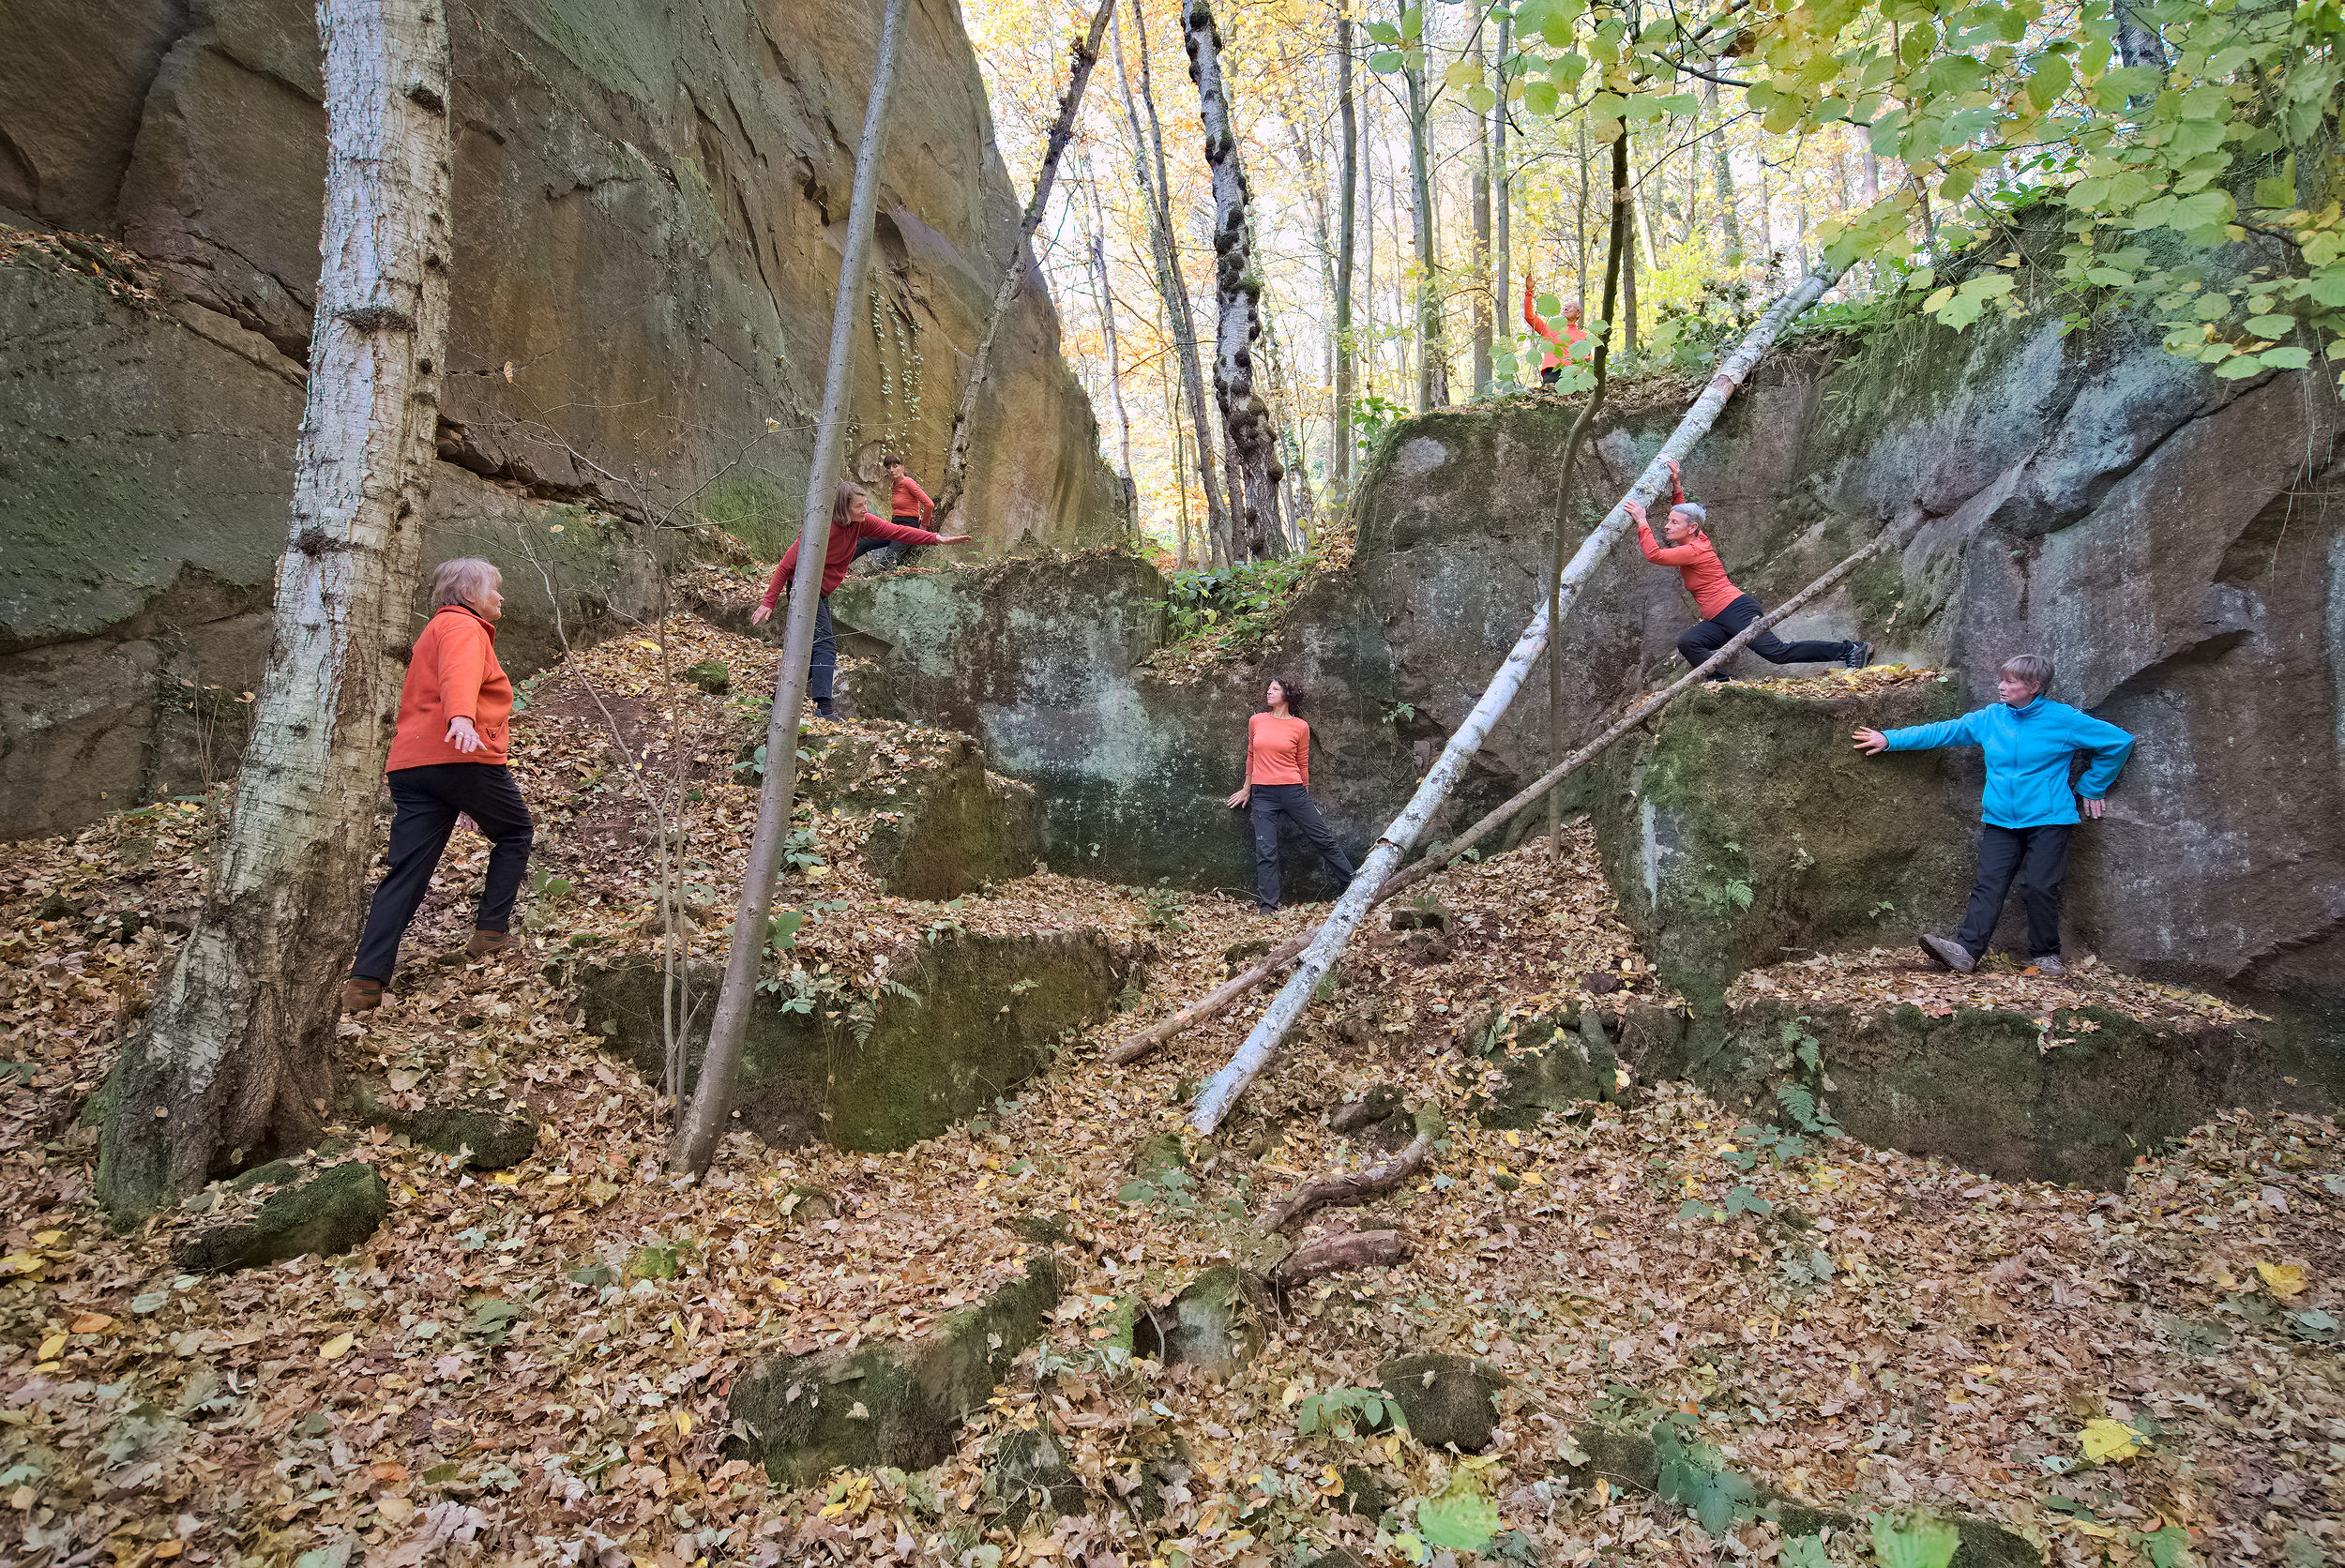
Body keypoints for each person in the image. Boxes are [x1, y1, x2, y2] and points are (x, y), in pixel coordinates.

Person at [1853, 654, 2134, 976]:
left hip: (2050, 818)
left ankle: (2046, 956)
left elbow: (2118, 742)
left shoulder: (2064, 720)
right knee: (1988, 884)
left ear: (2034, 687)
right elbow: (1943, 731)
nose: (2001, 687)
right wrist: (1889, 739)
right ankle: (1967, 952)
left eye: (2010, 682)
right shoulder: (1991, 718)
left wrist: (2093, 786)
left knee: (2039, 887)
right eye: (2002, 680)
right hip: (2001, 819)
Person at [345, 559, 535, 1012]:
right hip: (459, 752)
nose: (501, 597)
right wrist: (462, 719)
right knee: (515, 832)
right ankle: (490, 933)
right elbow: (460, 675)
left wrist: (465, 795)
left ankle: (366, 981)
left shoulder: (433, 631)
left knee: (406, 872)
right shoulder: (463, 629)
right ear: (469, 594)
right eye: (496, 588)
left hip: (413, 766)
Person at [1627, 456, 1871, 677]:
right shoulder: (1697, 537)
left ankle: (1850, 650)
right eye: (1668, 521)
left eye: (1673, 522)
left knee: (1777, 653)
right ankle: (1724, 683)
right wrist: (1676, 485)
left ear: (1691, 528)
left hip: (1736, 610)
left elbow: (1655, 555)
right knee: (1689, 642)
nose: (1667, 526)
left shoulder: (1695, 550)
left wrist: (1642, 521)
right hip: (1718, 618)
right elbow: (1684, 514)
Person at [749, 481, 969, 717]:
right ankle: (824, 709)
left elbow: (897, 531)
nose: (866, 510)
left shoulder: (861, 524)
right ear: (844, 508)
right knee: (825, 646)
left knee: (810, 651)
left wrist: (936, 538)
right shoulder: (820, 528)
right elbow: (785, 565)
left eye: (866, 504)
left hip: (821, 591)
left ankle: (774, 702)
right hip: (803, 588)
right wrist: (768, 602)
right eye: (860, 506)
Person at [1226, 678, 1356, 912]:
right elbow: (1251, 756)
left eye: (1275, 688)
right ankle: (1268, 907)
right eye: (1269, 688)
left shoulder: (1300, 726)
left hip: (1293, 792)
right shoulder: (1257, 720)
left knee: (1323, 838)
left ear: (1288, 694)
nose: (1269, 691)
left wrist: (1303, 796)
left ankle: (1354, 885)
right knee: (1266, 850)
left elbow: (1302, 763)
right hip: (1263, 794)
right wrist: (1247, 789)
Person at [1522, 271, 1588, 387]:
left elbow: (1587, 358)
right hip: (1553, 371)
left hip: (1574, 374)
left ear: (1578, 314)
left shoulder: (1583, 336)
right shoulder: (1551, 329)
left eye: (1571, 306)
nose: (1566, 308)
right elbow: (1529, 317)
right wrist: (1529, 292)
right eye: (1565, 306)